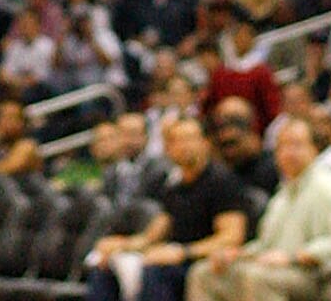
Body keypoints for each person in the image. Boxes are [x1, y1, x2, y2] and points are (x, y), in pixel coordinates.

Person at [190, 115, 331, 301]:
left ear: (314, 148)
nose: (288, 153)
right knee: (204, 273)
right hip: (286, 270)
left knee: (258, 278)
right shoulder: (283, 193)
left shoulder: (330, 185)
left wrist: (295, 257)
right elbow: (268, 246)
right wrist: (239, 254)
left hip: (327, 276)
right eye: (282, 146)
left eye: (296, 145)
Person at [86, 112, 248, 301]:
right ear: (167, 149)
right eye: (176, 141)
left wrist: (183, 252)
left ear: (205, 143)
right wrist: (123, 246)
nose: (183, 146)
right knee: (104, 268)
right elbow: (155, 233)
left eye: (189, 139)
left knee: (156, 271)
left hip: (205, 261)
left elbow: (232, 237)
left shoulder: (222, 181)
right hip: (173, 256)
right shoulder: (174, 185)